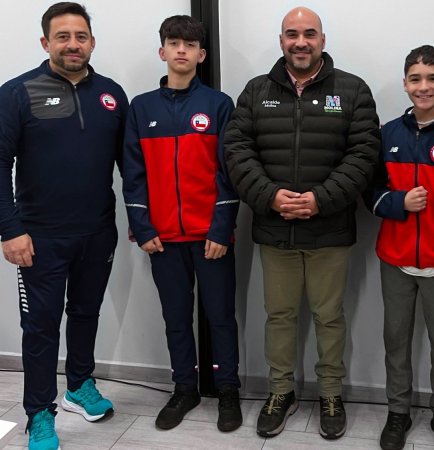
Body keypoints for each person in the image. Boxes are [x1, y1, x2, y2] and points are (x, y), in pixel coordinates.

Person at [224, 6, 380, 440]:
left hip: (329, 230)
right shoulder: (256, 91)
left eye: (309, 34)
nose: (300, 42)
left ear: (322, 40)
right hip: (275, 230)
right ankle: (281, 392)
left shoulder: (352, 90)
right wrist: (271, 197)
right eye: (292, 34)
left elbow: (364, 154)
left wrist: (319, 200)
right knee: (279, 316)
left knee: (329, 317)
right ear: (281, 41)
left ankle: (331, 394)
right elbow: (237, 151)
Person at [0, 2, 128, 449]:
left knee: (86, 313)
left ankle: (78, 385)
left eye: (81, 36)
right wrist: (9, 229)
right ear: (45, 42)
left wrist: (142, 218)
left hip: (98, 232)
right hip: (38, 238)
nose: (73, 44)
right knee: (40, 328)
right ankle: (39, 413)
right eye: (63, 36)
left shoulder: (112, 95)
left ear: (92, 42)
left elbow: (129, 166)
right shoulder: (17, 93)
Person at [122, 15, 242, 433]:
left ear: (201, 55)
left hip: (210, 237)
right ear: (162, 51)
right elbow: (132, 174)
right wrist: (143, 228)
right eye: (174, 43)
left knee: (221, 316)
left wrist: (221, 228)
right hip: (163, 239)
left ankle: (228, 389)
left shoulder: (219, 105)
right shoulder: (141, 108)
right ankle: (184, 388)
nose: (181, 50)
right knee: (175, 317)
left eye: (189, 45)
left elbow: (229, 173)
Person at [366, 45, 434, 450]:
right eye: (415, 79)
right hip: (395, 261)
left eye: (433, 78)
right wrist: (399, 202)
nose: (424, 86)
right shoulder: (389, 134)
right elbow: (370, 193)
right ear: (405, 84)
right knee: (395, 341)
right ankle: (398, 411)